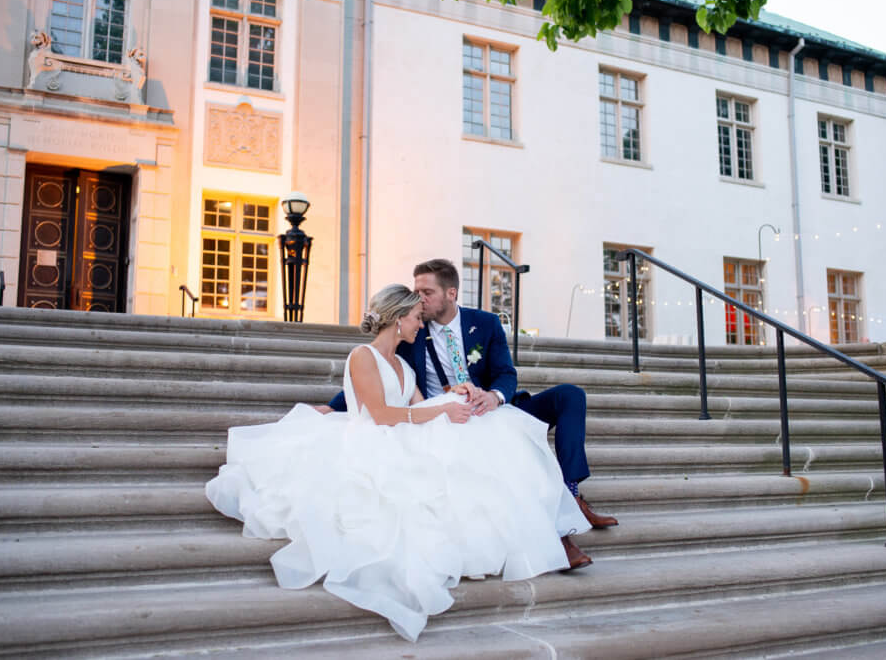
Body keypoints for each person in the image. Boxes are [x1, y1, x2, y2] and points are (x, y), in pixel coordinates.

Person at [206, 283, 591, 642]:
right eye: (415, 318)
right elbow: (379, 413)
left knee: (473, 420)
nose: (419, 324)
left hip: (400, 434)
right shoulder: (363, 356)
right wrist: (438, 414)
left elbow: (419, 405)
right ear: (397, 318)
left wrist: (451, 396)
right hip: (371, 439)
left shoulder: (404, 367)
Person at [323, 259, 618, 567]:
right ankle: (557, 539)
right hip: (447, 416)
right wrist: (333, 406)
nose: (419, 299)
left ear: (451, 293)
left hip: (490, 407)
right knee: (501, 452)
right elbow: (379, 372)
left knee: (570, 396)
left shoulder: (486, 323)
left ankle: (571, 493)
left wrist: (493, 396)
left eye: (427, 292)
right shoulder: (410, 330)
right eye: (416, 292)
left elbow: (506, 373)